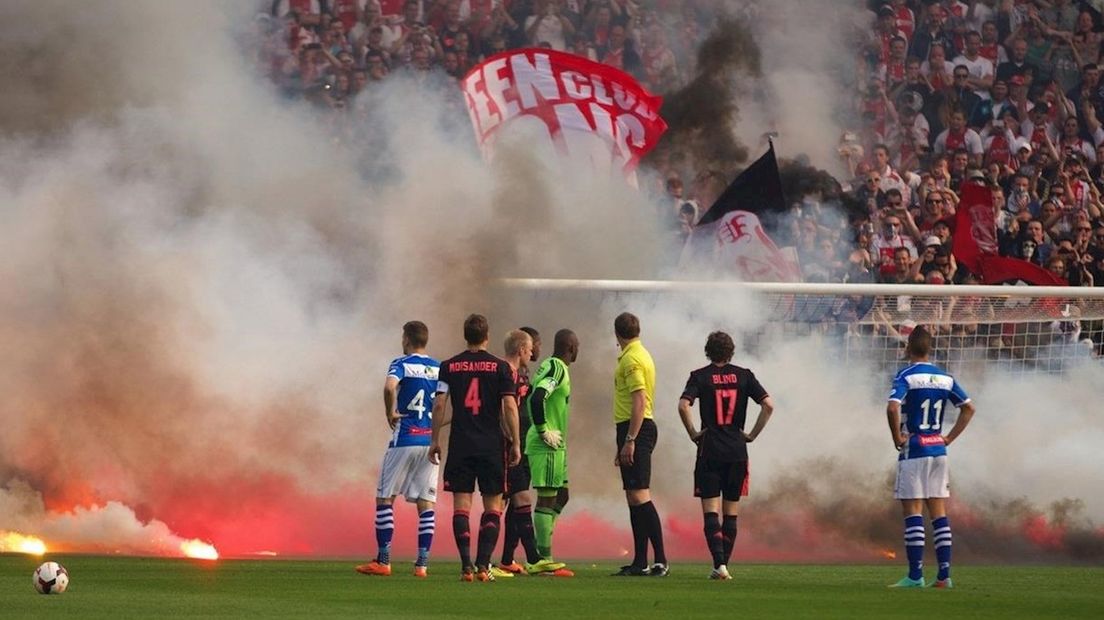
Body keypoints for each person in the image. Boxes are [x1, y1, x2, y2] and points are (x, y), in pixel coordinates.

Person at [429, 314, 522, 582]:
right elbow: (509, 406)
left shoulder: (449, 366)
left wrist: (434, 440)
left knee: (462, 505)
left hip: (461, 443)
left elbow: (439, 404)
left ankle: (466, 567)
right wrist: (515, 442)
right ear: (487, 337)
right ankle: (484, 566)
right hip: (492, 444)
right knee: (493, 505)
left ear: (465, 335)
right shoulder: (501, 368)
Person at [677, 331, 774, 580]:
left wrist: (693, 433)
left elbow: (683, 405)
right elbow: (768, 405)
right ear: (731, 351)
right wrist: (751, 435)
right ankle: (723, 566)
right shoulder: (744, 376)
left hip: (709, 450)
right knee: (731, 513)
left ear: (708, 351)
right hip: (736, 452)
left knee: (711, 511)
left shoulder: (700, 376)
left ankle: (719, 565)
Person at [887, 326, 976, 588]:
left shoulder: (906, 375)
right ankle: (944, 576)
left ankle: (915, 576)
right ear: (930, 348)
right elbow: (969, 408)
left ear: (907, 348)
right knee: (938, 513)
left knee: (913, 511)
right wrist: (948, 437)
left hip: (914, 449)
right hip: (938, 449)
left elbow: (893, 407)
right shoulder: (945, 378)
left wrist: (897, 438)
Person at [356, 321, 441, 578]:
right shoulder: (439, 368)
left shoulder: (401, 363)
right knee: (426, 503)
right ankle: (422, 566)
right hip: (429, 440)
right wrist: (436, 425)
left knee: (385, 497)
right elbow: (448, 405)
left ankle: (383, 561)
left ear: (406, 339)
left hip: (404, 437)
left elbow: (388, 386)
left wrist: (389, 412)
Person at [495, 328, 564, 577]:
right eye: (535, 345)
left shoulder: (524, 373)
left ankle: (505, 560)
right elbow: (504, 408)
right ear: (523, 347)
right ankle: (531, 559)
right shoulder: (506, 371)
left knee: (513, 502)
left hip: (521, 444)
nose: (537, 350)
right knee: (510, 500)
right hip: (510, 445)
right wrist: (510, 438)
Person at [611, 312, 667, 577]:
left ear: (617, 334)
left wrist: (630, 440)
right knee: (633, 497)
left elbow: (639, 400)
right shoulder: (640, 353)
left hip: (638, 427)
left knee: (640, 495)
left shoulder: (632, 359)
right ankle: (640, 561)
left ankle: (661, 561)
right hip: (632, 428)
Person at [525, 329, 581, 577]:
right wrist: (543, 430)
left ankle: (543, 548)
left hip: (557, 444)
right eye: (577, 345)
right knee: (546, 499)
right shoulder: (556, 367)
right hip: (547, 442)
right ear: (570, 346)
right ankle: (543, 560)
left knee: (563, 495)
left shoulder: (554, 367)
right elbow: (537, 399)